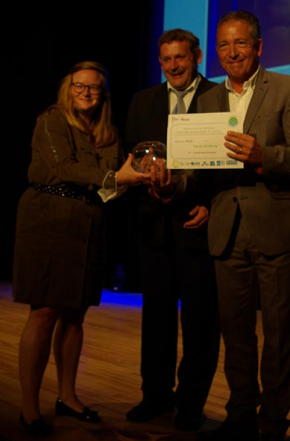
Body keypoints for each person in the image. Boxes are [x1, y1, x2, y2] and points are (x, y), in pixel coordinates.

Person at [197, 10, 290, 441]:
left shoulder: (288, 88)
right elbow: (198, 168)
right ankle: (239, 415)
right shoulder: (208, 99)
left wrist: (264, 155)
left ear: (259, 46)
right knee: (236, 333)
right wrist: (169, 182)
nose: (232, 53)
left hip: (278, 230)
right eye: (224, 46)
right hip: (227, 231)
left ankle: (273, 423)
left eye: (241, 44)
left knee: (279, 335)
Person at [13, 61, 149, 437]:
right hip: (48, 217)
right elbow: (65, 167)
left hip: (88, 221)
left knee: (75, 315)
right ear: (67, 89)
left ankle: (68, 396)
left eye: (94, 88)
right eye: (80, 87)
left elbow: (111, 179)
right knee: (44, 312)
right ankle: (28, 406)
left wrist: (129, 179)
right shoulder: (51, 120)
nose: (87, 94)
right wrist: (114, 178)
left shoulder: (107, 130)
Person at [124, 29, 220, 431]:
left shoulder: (219, 98)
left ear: (196, 56)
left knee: (200, 321)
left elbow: (224, 162)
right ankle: (155, 396)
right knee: (156, 318)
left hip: (197, 224)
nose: (174, 66)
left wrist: (213, 206)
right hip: (155, 227)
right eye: (166, 59)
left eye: (181, 57)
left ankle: (190, 403)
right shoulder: (143, 101)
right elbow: (130, 158)